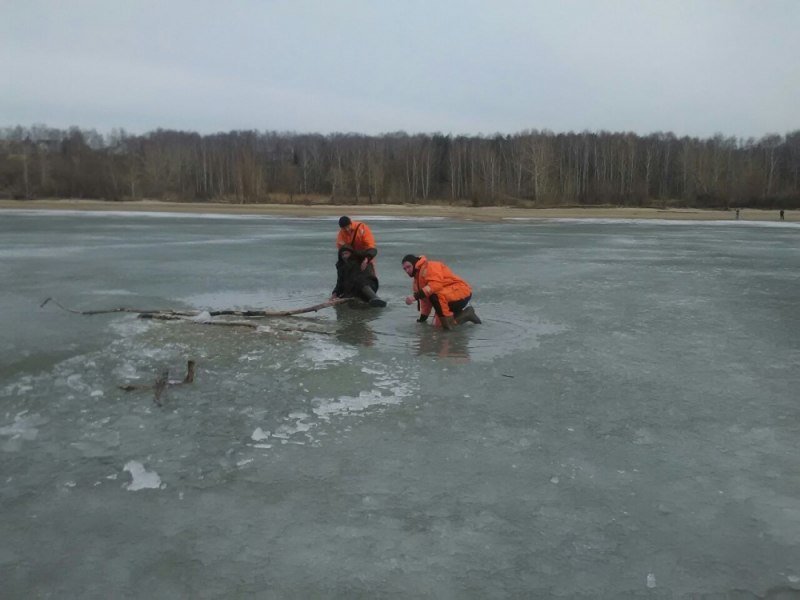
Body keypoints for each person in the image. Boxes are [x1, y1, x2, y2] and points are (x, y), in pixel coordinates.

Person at [401, 254, 481, 330]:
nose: (407, 270)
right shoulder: (416, 282)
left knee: (445, 325)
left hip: (461, 291)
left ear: (415, 263)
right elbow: (425, 302)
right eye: (405, 269)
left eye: (408, 267)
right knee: (438, 326)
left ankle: (467, 314)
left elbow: (435, 286)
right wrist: (422, 320)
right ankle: (464, 316)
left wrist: (414, 297)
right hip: (446, 297)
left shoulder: (430, 266)